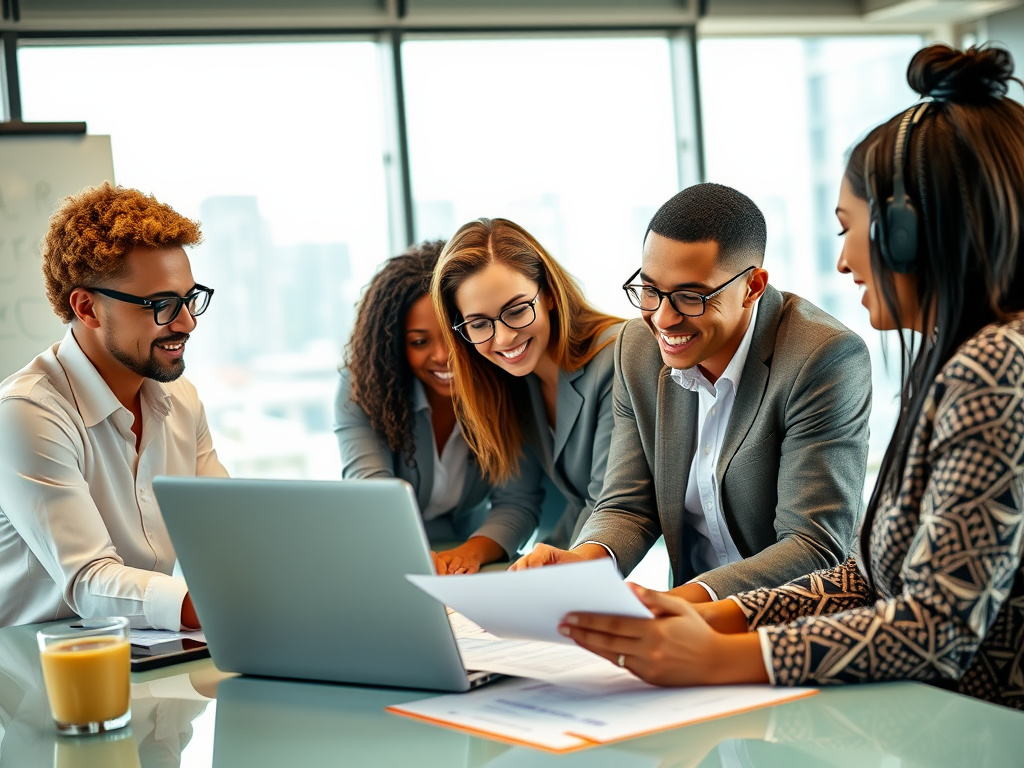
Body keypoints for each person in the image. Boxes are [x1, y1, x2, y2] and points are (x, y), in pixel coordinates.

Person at [557, 44, 1024, 711]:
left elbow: (937, 626)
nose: (842, 263)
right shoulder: (958, 359)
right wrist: (707, 619)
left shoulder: (996, 366)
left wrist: (723, 655)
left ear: (905, 235)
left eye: (848, 229)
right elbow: (866, 579)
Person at [512, 183, 872, 605]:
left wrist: (683, 602)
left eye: (689, 297)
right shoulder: (637, 350)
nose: (663, 318)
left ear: (753, 287)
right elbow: (627, 504)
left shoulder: (822, 357)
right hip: (685, 622)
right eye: (649, 291)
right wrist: (585, 563)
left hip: (795, 625)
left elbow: (813, 546)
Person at [0, 183, 225, 630]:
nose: (187, 322)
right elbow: (88, 580)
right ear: (87, 308)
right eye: (162, 305)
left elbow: (225, 533)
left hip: (145, 655)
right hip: (34, 676)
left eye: (189, 298)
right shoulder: (26, 413)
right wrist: (228, 608)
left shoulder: (181, 399)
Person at [430, 218, 623, 572]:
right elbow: (519, 496)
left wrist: (549, 573)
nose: (503, 338)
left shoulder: (616, 358)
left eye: (517, 310)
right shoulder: (515, 380)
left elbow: (609, 504)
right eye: (479, 324)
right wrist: (471, 554)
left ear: (549, 293)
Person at [335, 241, 537, 573]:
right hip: (379, 552)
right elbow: (370, 489)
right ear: (394, 346)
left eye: (454, 335)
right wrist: (408, 552)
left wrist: (472, 552)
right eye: (419, 342)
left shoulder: (510, 382)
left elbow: (517, 501)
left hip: (469, 551)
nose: (443, 356)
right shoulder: (363, 387)